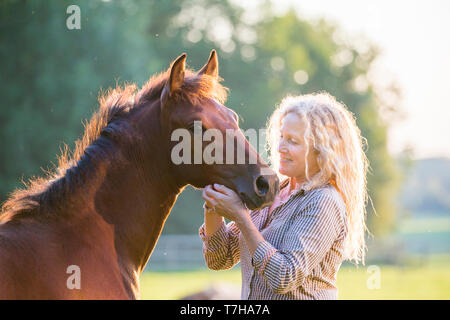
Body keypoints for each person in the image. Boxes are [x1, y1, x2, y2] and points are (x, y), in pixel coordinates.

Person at [199, 92, 369, 300]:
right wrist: (213, 203)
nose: (280, 147)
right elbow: (219, 259)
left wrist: (241, 217)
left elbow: (284, 277)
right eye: (281, 136)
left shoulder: (323, 201)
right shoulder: (271, 192)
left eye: (293, 141)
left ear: (322, 150)